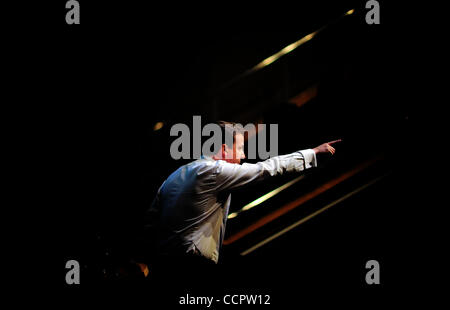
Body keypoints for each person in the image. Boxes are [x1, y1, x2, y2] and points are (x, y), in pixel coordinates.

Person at [142, 121, 341, 286]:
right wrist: (312, 153)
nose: (244, 156)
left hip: (162, 268)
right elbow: (265, 169)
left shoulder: (174, 175)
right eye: (240, 149)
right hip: (191, 271)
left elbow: (151, 222)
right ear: (223, 149)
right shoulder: (214, 171)